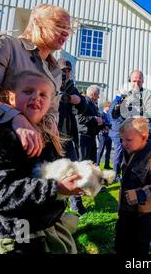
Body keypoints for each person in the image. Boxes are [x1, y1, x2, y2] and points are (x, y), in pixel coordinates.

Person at [0, 4, 72, 253]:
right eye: (60, 26)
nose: (67, 33)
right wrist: (15, 117)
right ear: (38, 23)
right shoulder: (6, 44)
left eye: (69, 29)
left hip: (31, 162)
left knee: (23, 227)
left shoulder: (55, 69)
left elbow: (51, 113)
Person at [0, 71, 82, 254]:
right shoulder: (3, 137)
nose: (36, 97)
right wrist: (54, 188)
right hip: (19, 234)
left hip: (45, 227)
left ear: (50, 102)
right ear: (11, 97)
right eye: (28, 91)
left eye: (43, 94)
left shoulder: (45, 134)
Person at [114, 117, 151, 255]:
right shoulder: (129, 152)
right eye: (122, 140)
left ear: (143, 137)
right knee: (121, 243)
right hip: (125, 210)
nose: (124, 144)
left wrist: (139, 194)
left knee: (139, 246)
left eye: (128, 140)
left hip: (143, 214)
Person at [57, 58, 88, 215]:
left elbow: (84, 108)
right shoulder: (51, 83)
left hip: (68, 136)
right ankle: (58, 208)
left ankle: (76, 205)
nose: (66, 73)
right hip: (52, 136)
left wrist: (80, 100)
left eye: (68, 70)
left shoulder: (72, 87)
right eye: (63, 70)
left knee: (74, 170)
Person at [77, 85, 104, 162]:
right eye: (98, 95)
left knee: (92, 162)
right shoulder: (85, 102)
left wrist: (102, 125)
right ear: (94, 95)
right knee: (83, 162)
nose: (98, 98)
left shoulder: (92, 104)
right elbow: (79, 119)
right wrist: (94, 118)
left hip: (91, 137)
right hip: (84, 136)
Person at [96, 101, 112, 169]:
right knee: (101, 150)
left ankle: (107, 165)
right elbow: (101, 123)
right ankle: (97, 164)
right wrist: (106, 126)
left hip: (109, 135)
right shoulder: (101, 114)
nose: (110, 108)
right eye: (109, 107)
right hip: (102, 135)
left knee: (108, 150)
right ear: (105, 107)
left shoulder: (110, 114)